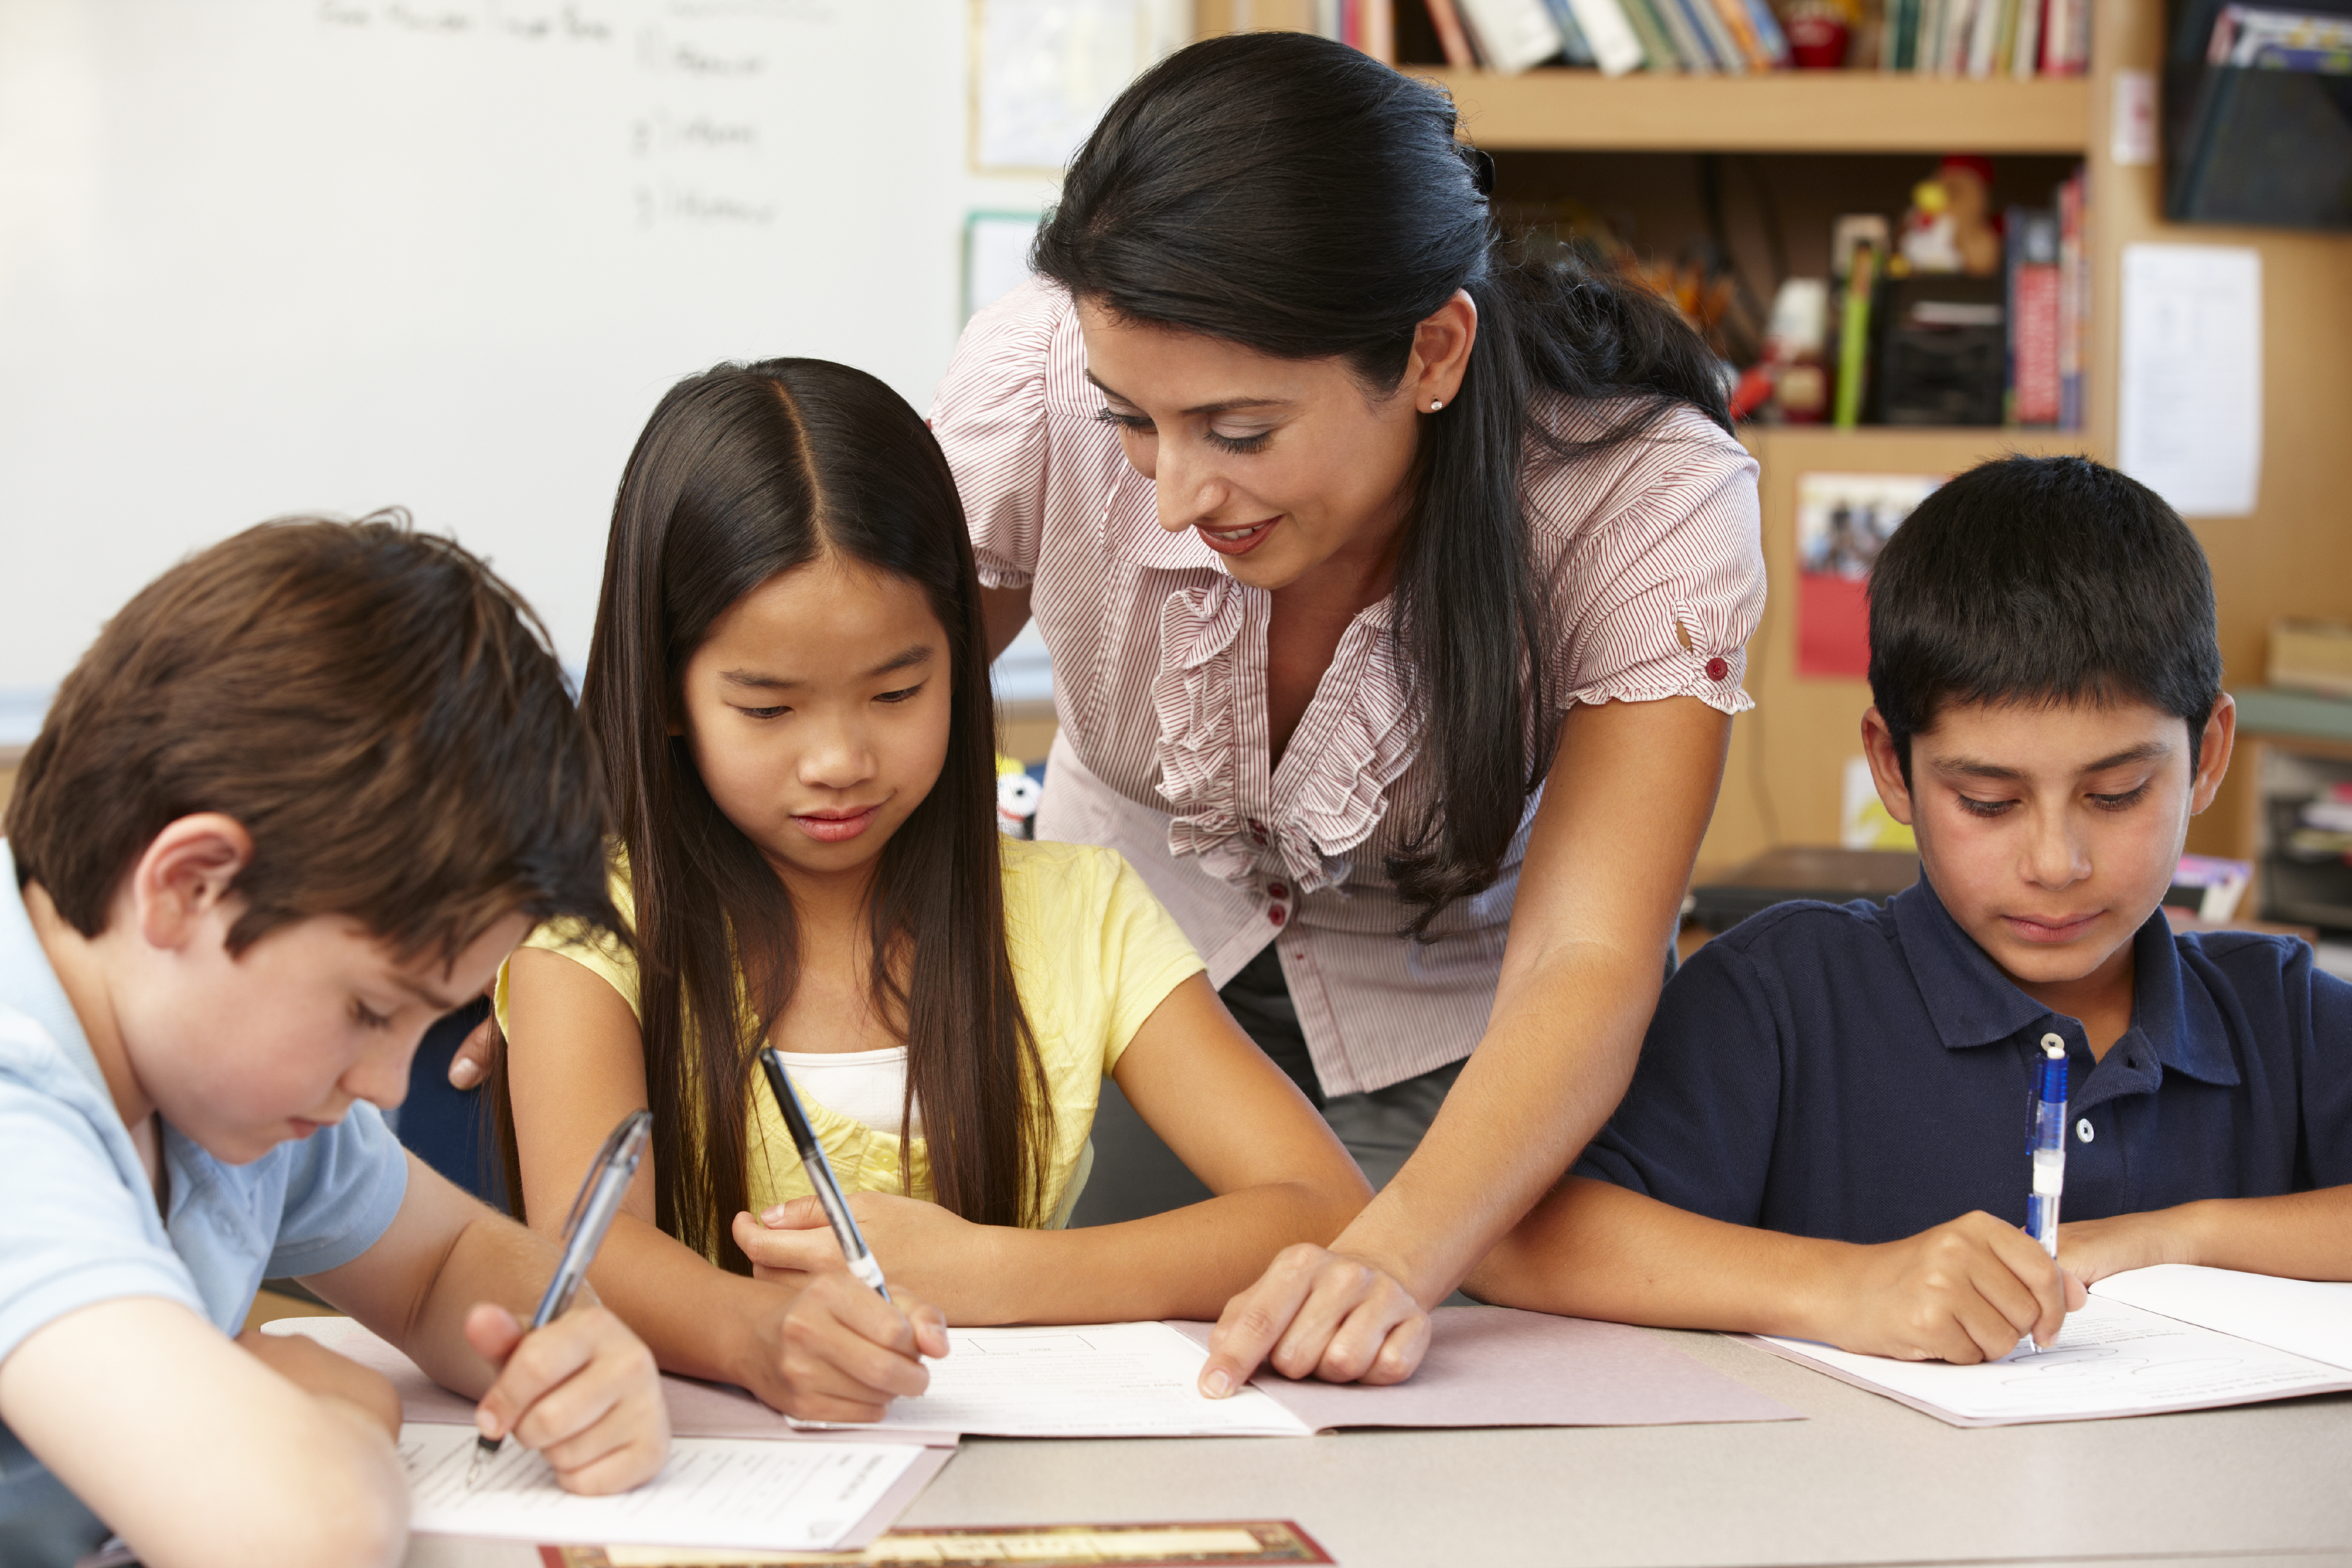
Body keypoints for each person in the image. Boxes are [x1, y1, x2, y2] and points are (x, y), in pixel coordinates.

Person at [928, 30, 1765, 1390]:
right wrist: (621, 926)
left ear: (1431, 351)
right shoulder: (1044, 375)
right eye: (1133, 421)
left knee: (1467, 1401)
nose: (1176, 494)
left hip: (1467, 1040)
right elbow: (855, 692)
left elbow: (1586, 961)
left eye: (1239, 432)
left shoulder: (1639, 497)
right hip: (1134, 995)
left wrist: (1390, 1258)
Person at [495, 358, 1371, 1422]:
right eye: (767, 709)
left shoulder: (1077, 909)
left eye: (898, 690)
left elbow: (1322, 1207)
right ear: (669, 693)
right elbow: (593, 1252)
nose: (839, 760)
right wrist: (765, 1337)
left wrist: (989, 1273)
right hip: (719, 1472)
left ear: (963, 658)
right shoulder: (594, 933)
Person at [1468, 456, 2352, 1359]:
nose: (2055, 863)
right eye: (1987, 802)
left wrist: (2175, 1240)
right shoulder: (1780, 1000)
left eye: (2117, 793)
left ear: (2207, 755)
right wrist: (1845, 1285)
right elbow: (1512, 1239)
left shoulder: (2277, 1014)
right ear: (1894, 767)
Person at [0, 518, 670, 1568]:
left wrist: (568, 1344)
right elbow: (293, 1532)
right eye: (369, 1010)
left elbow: (445, 1261)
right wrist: (346, 1412)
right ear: (190, 887)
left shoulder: (215, 1080)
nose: (384, 1081)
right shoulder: (18, 1092)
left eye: (423, 1023)